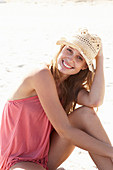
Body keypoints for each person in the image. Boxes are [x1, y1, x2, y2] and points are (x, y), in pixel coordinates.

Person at [0, 28, 113, 170]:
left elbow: (94, 101)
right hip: (15, 161)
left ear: (84, 66)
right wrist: (111, 151)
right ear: (61, 49)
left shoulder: (68, 87)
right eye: (69, 50)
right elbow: (65, 131)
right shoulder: (41, 74)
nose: (71, 59)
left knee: (86, 114)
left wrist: (100, 57)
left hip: (45, 158)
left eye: (80, 58)